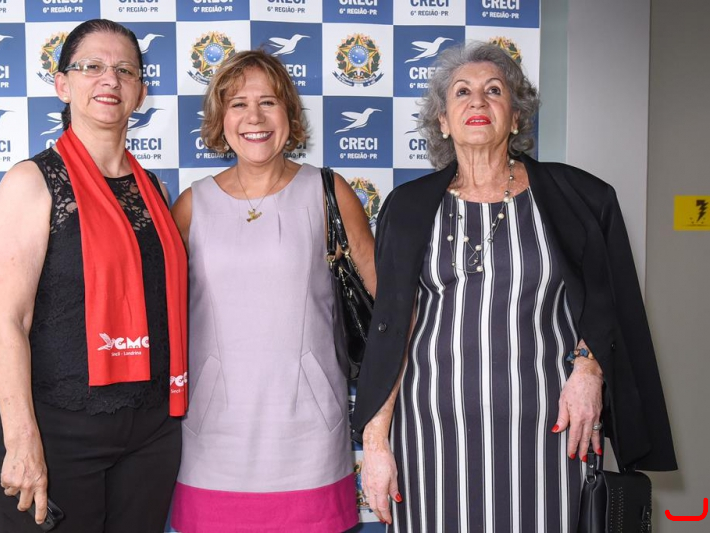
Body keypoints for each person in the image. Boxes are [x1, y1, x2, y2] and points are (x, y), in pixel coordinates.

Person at [352, 41, 677, 531]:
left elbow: (610, 301)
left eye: (494, 91)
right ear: (443, 121)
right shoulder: (408, 207)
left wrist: (590, 370)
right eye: (462, 92)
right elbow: (393, 328)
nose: (477, 102)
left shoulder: (578, 197)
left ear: (517, 116)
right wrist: (376, 442)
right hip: (430, 432)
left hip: (550, 427)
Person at [0, 19, 188, 533]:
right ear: (62, 84)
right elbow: (8, 323)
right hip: (56, 430)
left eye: (125, 70)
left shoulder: (154, 191)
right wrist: (21, 440)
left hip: (150, 434)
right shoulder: (32, 182)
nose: (109, 79)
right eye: (92, 66)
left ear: (141, 92)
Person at [169, 49, 375, 532]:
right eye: (238, 104)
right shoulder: (191, 205)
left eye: (268, 102)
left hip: (310, 436)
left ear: (289, 114)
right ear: (220, 120)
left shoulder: (329, 192)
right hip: (213, 437)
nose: (254, 118)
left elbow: (383, 304)